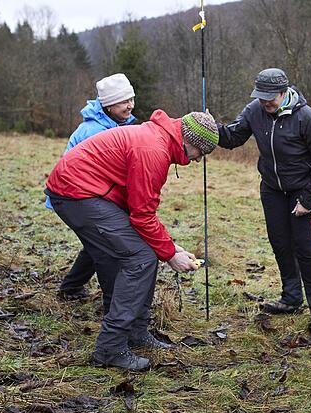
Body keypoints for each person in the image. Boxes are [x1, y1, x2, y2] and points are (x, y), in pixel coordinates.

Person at [45, 109, 218, 371]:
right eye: (200, 153)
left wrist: (171, 247)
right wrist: (170, 254)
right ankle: (111, 348)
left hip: (88, 192)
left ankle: (136, 333)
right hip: (77, 193)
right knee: (141, 258)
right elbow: (142, 215)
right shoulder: (154, 151)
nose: (198, 160)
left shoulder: (158, 139)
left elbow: (141, 209)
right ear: (189, 142)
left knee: (129, 255)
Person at [216, 68, 311, 333]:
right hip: (272, 189)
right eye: (261, 97)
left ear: (284, 93)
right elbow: (233, 138)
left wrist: (308, 200)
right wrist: (212, 128)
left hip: (301, 190)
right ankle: (291, 298)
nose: (265, 102)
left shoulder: (307, 118)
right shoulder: (254, 111)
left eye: (270, 97)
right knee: (280, 243)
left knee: (305, 248)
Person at [46, 73, 137, 301]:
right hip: (77, 197)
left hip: (94, 197)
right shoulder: (95, 131)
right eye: (124, 101)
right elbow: (93, 175)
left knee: (94, 244)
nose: (130, 105)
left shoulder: (117, 124)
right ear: (108, 104)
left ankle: (71, 288)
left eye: (132, 99)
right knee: (105, 249)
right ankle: (114, 306)